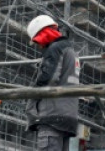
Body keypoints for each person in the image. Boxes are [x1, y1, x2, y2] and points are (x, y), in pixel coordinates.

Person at [26, 14, 80, 151]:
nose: (39, 47)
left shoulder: (55, 49)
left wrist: (31, 96)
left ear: (42, 35)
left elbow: (47, 79)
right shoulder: (70, 51)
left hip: (52, 115)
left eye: (38, 42)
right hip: (67, 116)